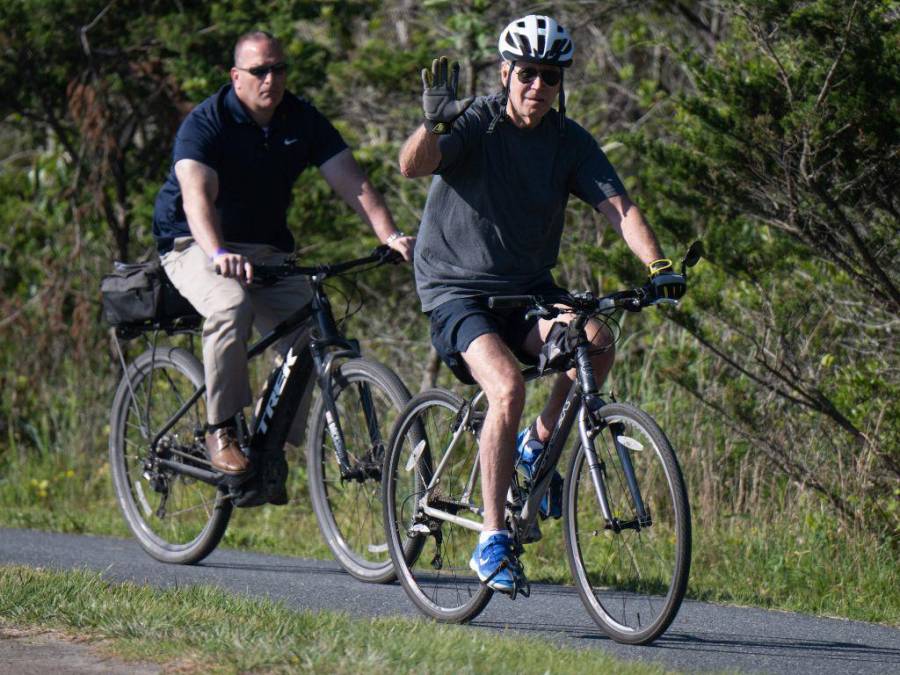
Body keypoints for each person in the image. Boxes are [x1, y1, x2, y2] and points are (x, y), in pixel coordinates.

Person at [398, 15, 685, 593]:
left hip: (528, 288)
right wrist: (432, 123)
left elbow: (620, 209)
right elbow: (413, 165)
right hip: (457, 290)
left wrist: (657, 266)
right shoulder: (476, 120)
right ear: (506, 73)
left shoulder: (568, 142)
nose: (536, 87)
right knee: (506, 386)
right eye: (526, 73)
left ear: (560, 83)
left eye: (549, 77)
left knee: (597, 340)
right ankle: (492, 538)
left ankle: (534, 446)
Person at [153, 30, 413, 502]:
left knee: (310, 330)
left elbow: (352, 181)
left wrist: (390, 236)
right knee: (230, 306)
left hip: (264, 247)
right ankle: (221, 429)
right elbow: (196, 198)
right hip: (193, 241)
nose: (271, 78)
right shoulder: (207, 123)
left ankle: (270, 449)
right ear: (236, 77)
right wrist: (217, 254)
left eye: (278, 68)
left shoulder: (300, 118)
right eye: (259, 71)